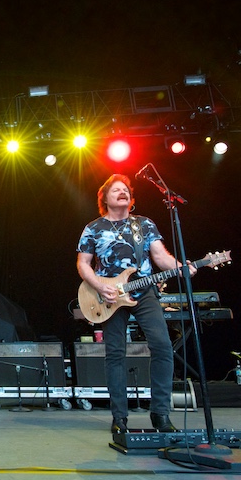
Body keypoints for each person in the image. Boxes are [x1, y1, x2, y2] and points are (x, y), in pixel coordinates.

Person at [77, 175, 196, 435]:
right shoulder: (94, 228)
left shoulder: (144, 224)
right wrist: (99, 286)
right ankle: (119, 417)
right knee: (115, 354)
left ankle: (160, 414)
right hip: (108, 296)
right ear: (105, 198)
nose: (122, 193)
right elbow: (83, 263)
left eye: (125, 190)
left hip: (144, 292)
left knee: (163, 347)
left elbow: (160, 256)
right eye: (116, 190)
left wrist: (181, 267)